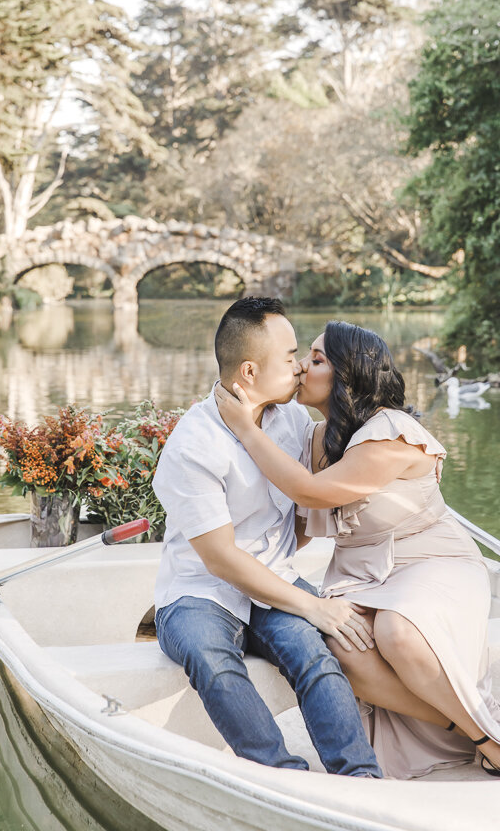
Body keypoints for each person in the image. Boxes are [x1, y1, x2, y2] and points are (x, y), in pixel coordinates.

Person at [215, 320, 500, 781]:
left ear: (348, 375)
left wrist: (244, 429)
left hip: (430, 561)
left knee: (397, 631)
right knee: (338, 643)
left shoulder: (391, 432)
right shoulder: (315, 440)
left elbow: (315, 494)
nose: (300, 367)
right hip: (360, 574)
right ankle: (465, 730)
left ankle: (498, 746)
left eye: (315, 360)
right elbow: (298, 527)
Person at [152, 298, 381, 777]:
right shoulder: (194, 443)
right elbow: (220, 560)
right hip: (200, 592)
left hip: (275, 579)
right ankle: (282, 778)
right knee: (210, 656)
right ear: (250, 371)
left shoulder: (294, 423)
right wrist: (313, 604)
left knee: (315, 654)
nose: (300, 367)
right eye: (290, 356)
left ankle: (362, 779)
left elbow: (301, 519)